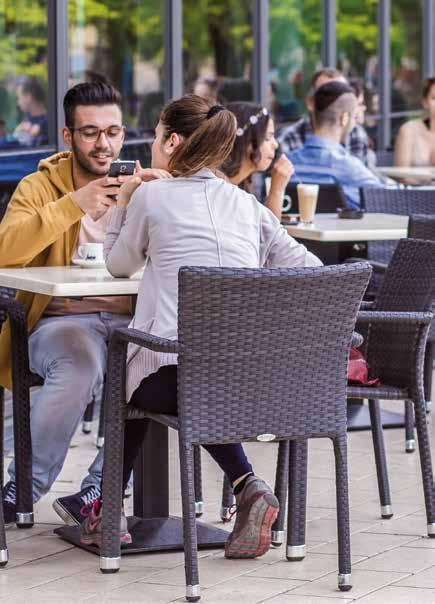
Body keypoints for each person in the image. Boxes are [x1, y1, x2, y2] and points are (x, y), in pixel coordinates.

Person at [76, 94, 322, 557]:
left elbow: (117, 265)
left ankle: (108, 510)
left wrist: (124, 203)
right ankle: (246, 485)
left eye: (155, 136)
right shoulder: (247, 205)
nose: (152, 144)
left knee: (131, 369)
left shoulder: (151, 196)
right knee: (184, 375)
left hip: (176, 381)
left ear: (171, 142)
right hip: (257, 384)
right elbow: (311, 271)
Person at [0, 81, 170, 525]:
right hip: (59, 321)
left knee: (158, 362)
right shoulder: (39, 187)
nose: (104, 144)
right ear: (68, 136)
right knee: (79, 363)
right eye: (91, 133)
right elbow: (4, 248)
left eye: (113, 132)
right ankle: (24, 488)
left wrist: (170, 196)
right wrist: (73, 204)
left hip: (130, 319)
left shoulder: (142, 190)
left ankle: (102, 488)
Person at [287, 81, 382, 209]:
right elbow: (386, 198)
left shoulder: (287, 164)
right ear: (344, 118)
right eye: (354, 117)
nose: (355, 124)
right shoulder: (348, 167)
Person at [278, 67, 373, 168]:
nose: (335, 103)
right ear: (310, 102)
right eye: (325, 95)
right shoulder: (288, 139)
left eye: (341, 96)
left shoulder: (357, 135)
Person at [222, 101, 294, 219]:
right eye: (268, 137)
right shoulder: (223, 191)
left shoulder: (242, 185)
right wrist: (276, 191)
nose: (275, 144)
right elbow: (268, 230)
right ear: (247, 141)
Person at [394, 77, 435, 166]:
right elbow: (401, 172)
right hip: (413, 176)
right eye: (434, 98)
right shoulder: (409, 130)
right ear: (425, 102)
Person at [13, 78, 49, 147]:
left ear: (28, 97)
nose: (18, 103)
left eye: (19, 98)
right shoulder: (24, 121)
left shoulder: (49, 124)